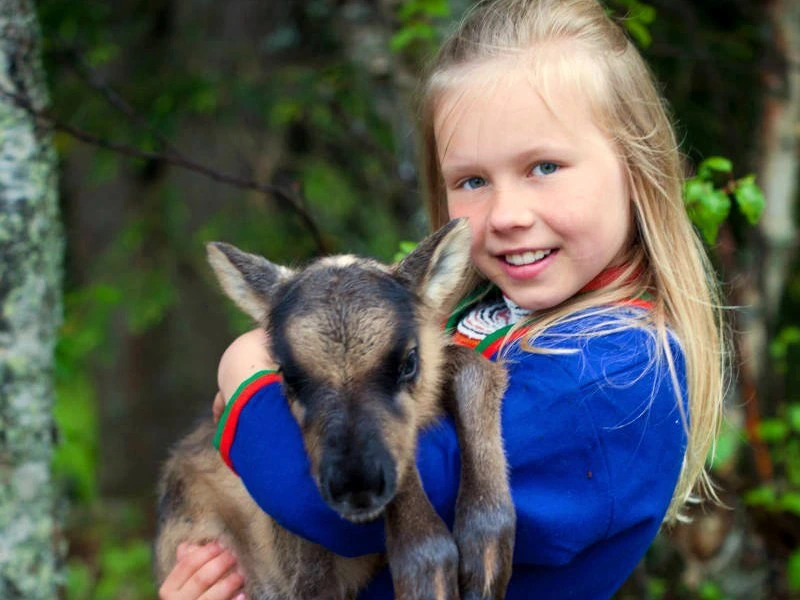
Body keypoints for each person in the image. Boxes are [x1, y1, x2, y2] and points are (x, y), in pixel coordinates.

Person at [160, 0, 727, 597]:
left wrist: (247, 368)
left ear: (638, 169)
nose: (507, 215)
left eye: (545, 166)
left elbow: (341, 504)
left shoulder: (616, 373)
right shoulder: (486, 319)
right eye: (473, 181)